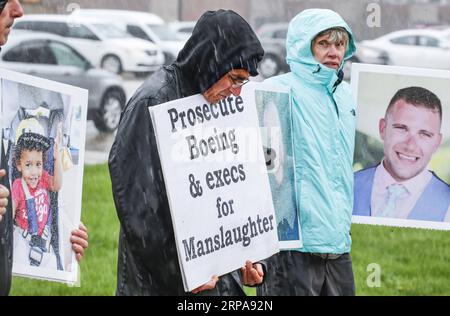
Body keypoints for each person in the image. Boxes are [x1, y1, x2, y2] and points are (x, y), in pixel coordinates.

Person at [109, 9, 266, 295]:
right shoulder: (153, 101)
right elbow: (137, 207)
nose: (237, 92)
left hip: (216, 281)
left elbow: (237, 189)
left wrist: (253, 257)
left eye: (244, 81)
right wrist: (182, 272)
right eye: (234, 78)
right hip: (158, 283)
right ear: (211, 62)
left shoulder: (219, 100)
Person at [257, 9, 357, 296]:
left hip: (338, 245)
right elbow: (263, 166)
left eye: (339, 44)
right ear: (304, 45)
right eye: (324, 43)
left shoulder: (345, 94)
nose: (334, 52)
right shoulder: (276, 90)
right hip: (292, 250)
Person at [0, 0, 88, 296]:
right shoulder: (17, 185)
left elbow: (58, 191)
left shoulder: (43, 183)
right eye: (5, 1)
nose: (19, 10)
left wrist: (67, 231)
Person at [353, 86, 450, 221]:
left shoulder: (447, 204)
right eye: (401, 128)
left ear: (437, 143)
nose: (410, 146)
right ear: (382, 128)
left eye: (425, 134)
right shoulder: (346, 186)